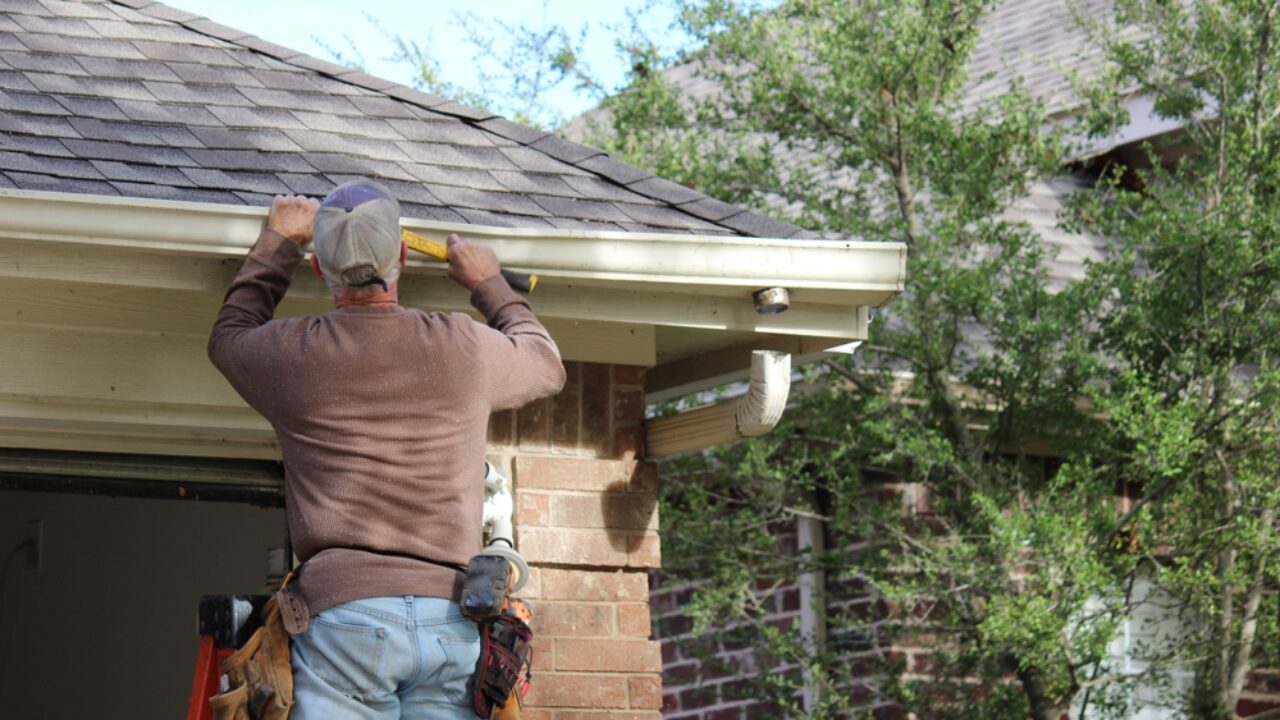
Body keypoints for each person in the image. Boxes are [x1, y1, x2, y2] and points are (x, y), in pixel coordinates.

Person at [208, 179, 566, 719]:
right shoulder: (463, 345)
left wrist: (278, 243)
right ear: (402, 255)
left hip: (345, 618)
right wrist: (488, 282)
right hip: (452, 619)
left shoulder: (292, 353)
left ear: (317, 267)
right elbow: (544, 363)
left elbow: (229, 337)